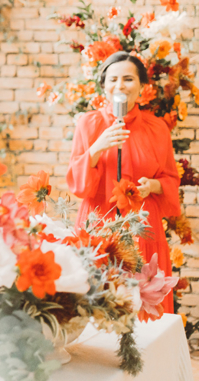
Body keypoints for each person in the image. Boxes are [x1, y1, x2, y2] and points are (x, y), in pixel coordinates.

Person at [67, 51, 180, 312]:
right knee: (97, 303)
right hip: (99, 224)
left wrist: (152, 186)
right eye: (113, 79)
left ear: (142, 86)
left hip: (143, 225)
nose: (120, 86)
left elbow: (170, 178)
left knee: (143, 306)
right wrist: (97, 148)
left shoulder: (157, 128)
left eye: (128, 79)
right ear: (104, 86)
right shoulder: (89, 124)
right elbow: (77, 182)